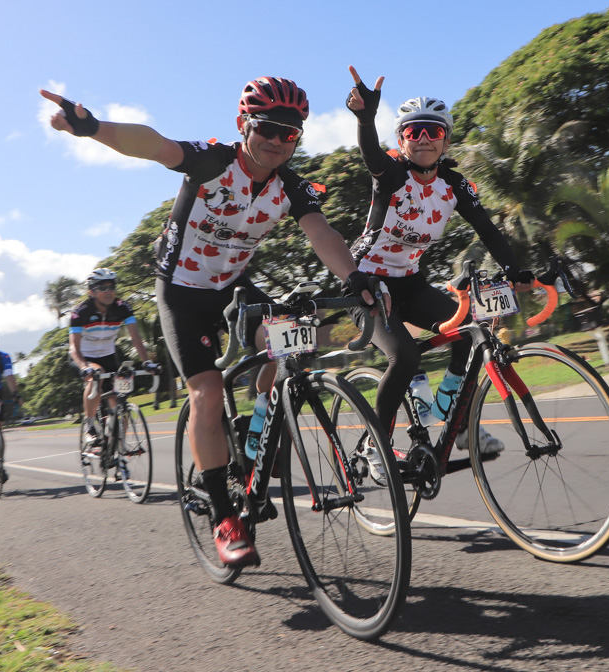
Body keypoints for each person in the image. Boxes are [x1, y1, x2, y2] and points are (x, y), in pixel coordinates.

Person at [41, 77, 379, 568]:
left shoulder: (291, 185)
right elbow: (152, 144)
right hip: (181, 291)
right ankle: (225, 516)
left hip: (231, 287)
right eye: (267, 128)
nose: (278, 141)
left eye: (291, 134)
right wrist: (92, 127)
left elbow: (321, 232)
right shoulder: (213, 161)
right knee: (206, 390)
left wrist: (356, 279)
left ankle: (257, 423)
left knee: (293, 343)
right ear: (244, 124)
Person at [345, 66, 533, 479]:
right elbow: (371, 155)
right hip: (367, 281)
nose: (424, 139)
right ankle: (377, 445)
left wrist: (515, 270)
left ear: (446, 139)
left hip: (409, 281)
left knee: (469, 324)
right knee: (406, 355)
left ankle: (457, 421)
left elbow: (488, 230)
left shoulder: (454, 184)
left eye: (433, 131)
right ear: (402, 141)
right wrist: (365, 119)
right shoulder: (392, 173)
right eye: (414, 132)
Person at [68, 267, 156, 447]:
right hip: (84, 358)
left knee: (119, 405)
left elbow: (135, 337)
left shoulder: (123, 308)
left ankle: (116, 446)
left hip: (109, 357)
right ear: (92, 292)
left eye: (112, 287)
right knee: (96, 377)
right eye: (103, 288)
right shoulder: (80, 313)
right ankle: (90, 426)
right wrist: (85, 368)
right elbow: (73, 348)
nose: (109, 292)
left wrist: (147, 362)